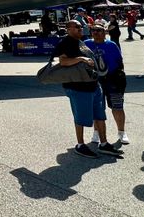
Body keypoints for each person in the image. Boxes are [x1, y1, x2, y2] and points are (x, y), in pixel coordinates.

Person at [53, 19, 122, 158]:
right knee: (81, 117)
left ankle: (103, 144)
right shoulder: (65, 42)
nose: (80, 28)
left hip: (93, 85)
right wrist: (81, 59)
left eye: (81, 26)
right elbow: (63, 61)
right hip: (78, 87)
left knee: (100, 115)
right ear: (68, 29)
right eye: (77, 27)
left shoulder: (81, 41)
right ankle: (80, 145)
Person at [85, 22, 129, 145]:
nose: (96, 33)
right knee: (97, 108)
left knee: (117, 106)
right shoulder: (87, 44)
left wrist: (119, 77)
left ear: (105, 33)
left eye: (99, 30)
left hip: (112, 79)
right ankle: (97, 132)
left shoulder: (111, 45)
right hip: (94, 80)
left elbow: (119, 62)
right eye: (94, 30)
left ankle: (122, 132)